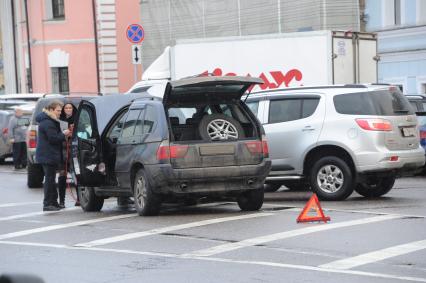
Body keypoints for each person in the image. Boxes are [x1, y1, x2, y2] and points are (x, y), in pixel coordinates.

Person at [36, 100, 71, 211]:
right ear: (51, 110)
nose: (60, 113)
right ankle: (47, 204)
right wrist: (64, 134)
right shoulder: (48, 122)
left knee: (51, 179)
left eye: (61, 110)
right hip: (48, 155)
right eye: (58, 110)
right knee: (49, 180)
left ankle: (54, 202)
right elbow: (53, 138)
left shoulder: (49, 120)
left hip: (49, 154)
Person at [58, 103, 79, 208]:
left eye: (70, 107)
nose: (68, 109)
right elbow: (56, 135)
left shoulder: (77, 119)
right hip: (62, 152)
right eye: (66, 108)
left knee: (76, 175)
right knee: (62, 176)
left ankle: (79, 199)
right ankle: (61, 201)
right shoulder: (59, 121)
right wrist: (63, 134)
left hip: (74, 151)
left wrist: (73, 133)